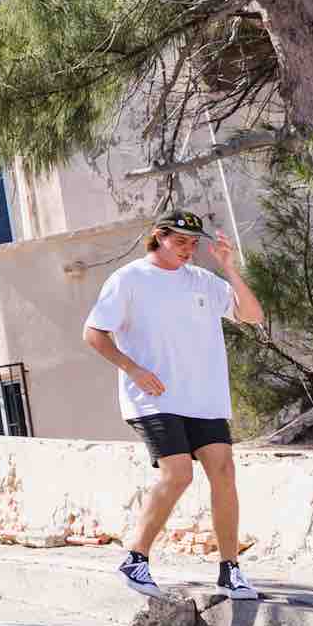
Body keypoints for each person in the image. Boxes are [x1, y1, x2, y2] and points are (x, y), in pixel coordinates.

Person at [83, 209, 266, 601]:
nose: (187, 250)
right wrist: (132, 369)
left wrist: (229, 269)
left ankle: (230, 570)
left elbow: (253, 315)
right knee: (179, 473)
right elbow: (93, 333)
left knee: (224, 472)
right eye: (179, 241)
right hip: (154, 397)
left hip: (205, 398)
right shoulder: (129, 279)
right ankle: (135, 559)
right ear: (159, 236)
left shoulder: (203, 280)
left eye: (192, 243)